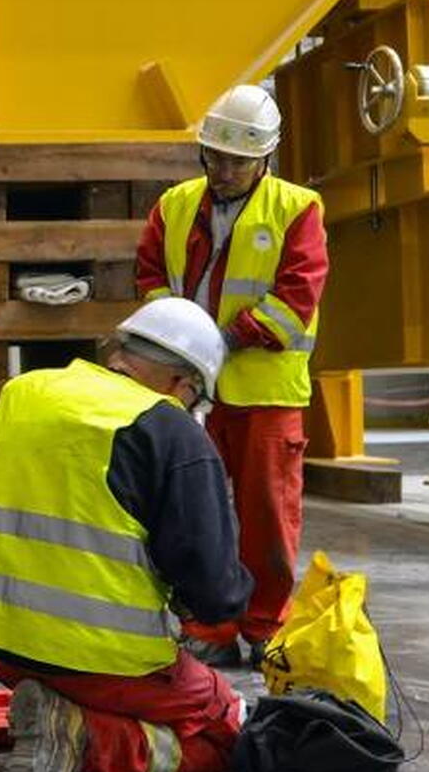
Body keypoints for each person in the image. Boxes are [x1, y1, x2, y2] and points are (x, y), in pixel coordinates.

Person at [0, 299, 254, 772]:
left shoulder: (21, 394)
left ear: (120, 351)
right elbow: (214, 593)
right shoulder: (173, 431)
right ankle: (81, 737)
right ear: (182, 383)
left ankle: (64, 716)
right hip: (104, 658)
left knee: (111, 687)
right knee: (229, 735)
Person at [135, 84, 329, 670]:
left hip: (264, 395)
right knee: (192, 513)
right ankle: (208, 625)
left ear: (265, 157)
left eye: (237, 163)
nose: (223, 173)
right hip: (187, 390)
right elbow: (150, 276)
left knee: (266, 516)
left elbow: (295, 299)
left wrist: (221, 340)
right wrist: (176, 340)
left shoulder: (298, 209)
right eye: (215, 158)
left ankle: (265, 625)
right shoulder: (174, 206)